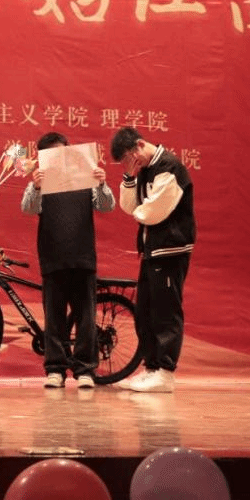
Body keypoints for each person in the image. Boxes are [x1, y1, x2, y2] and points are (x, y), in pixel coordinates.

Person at [21, 132, 115, 390]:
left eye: (62, 151)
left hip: (83, 257)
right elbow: (28, 208)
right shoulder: (41, 181)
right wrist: (36, 187)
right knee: (54, 318)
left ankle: (85, 370)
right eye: (52, 153)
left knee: (86, 318)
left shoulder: (85, 177)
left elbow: (106, 206)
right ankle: (55, 370)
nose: (58, 157)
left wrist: (101, 184)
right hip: (52, 257)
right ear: (43, 157)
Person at [110, 126, 195, 393]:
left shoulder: (169, 167)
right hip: (151, 250)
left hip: (170, 249)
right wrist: (129, 177)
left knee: (166, 311)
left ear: (139, 145)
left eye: (128, 158)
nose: (129, 164)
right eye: (124, 163)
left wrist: (139, 211)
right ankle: (151, 368)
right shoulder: (145, 169)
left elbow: (153, 212)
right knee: (145, 311)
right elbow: (129, 207)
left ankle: (165, 372)